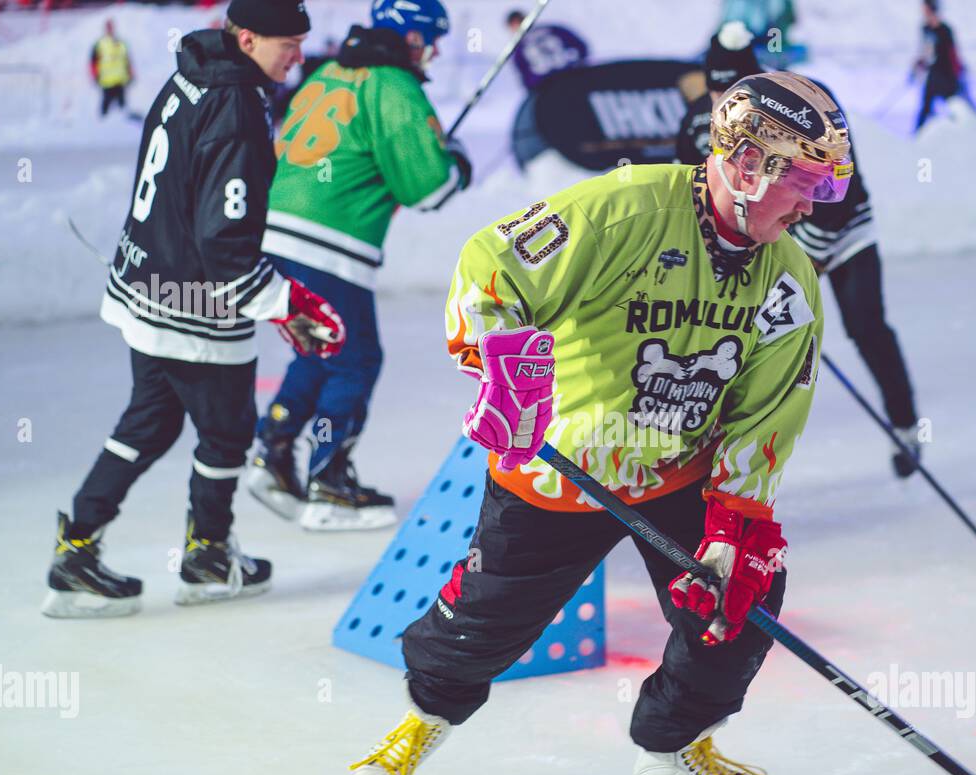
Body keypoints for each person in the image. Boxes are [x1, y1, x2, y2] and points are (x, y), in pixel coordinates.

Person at [348, 73, 852, 775]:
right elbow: (490, 270)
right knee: (479, 628)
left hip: (678, 472)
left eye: (828, 183)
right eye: (807, 180)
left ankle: (672, 753)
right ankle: (424, 720)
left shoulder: (789, 276)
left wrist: (735, 524)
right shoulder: (624, 209)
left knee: (740, 604)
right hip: (559, 468)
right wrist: (509, 372)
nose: (815, 204)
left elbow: (767, 411)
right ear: (748, 165)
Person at [44, 0, 347, 619]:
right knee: (228, 430)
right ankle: (208, 558)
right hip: (194, 307)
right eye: (286, 43)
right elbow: (223, 237)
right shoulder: (235, 104)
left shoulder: (192, 72)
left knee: (150, 422)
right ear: (246, 37)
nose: (297, 55)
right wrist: (284, 301)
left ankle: (77, 548)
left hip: (146, 285)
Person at [250, 0, 470, 532]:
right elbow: (427, 188)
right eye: (430, 38)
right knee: (356, 359)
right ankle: (329, 479)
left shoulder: (331, 70)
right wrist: (455, 160)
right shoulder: (395, 87)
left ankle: (272, 451)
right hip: (328, 242)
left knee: (320, 348)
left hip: (277, 231)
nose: (434, 50)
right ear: (411, 38)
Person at [679, 23, 922, 476]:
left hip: (843, 230)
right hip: (773, 238)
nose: (720, 102)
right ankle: (712, 443)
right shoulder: (700, 119)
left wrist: (802, 263)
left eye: (731, 89)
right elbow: (696, 193)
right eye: (715, 91)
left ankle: (906, 425)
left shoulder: (804, 105)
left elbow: (836, 197)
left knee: (866, 326)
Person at [912, 0, 969, 132]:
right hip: (933, 74)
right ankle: (919, 136)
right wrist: (918, 64)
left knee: (953, 106)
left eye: (925, 9)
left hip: (946, 74)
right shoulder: (925, 29)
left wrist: (958, 74)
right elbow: (925, 51)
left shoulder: (945, 30)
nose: (923, 12)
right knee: (926, 107)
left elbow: (952, 54)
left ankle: (961, 132)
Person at [504, 8, 589, 91]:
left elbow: (580, 47)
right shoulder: (519, 49)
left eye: (520, 21)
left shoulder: (553, 30)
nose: (518, 25)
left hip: (574, 76)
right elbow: (526, 78)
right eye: (514, 24)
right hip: (551, 88)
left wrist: (577, 63)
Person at [90, 18, 132, 117]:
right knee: (105, 109)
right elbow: (93, 62)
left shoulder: (121, 43)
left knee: (122, 109)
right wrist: (95, 75)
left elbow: (126, 61)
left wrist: (130, 74)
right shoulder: (100, 44)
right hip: (107, 81)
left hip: (120, 80)